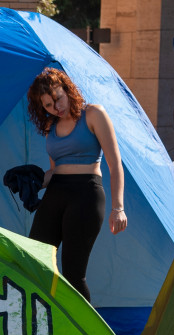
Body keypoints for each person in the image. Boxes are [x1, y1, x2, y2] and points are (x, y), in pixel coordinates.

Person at [25, 68, 127, 303]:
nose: (56, 108)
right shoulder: (51, 126)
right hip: (56, 192)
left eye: (58, 98)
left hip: (86, 194)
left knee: (73, 274)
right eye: (48, 105)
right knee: (35, 261)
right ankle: (48, 324)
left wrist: (118, 207)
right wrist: (33, 181)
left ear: (67, 89)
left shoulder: (93, 114)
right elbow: (56, 170)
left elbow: (115, 165)